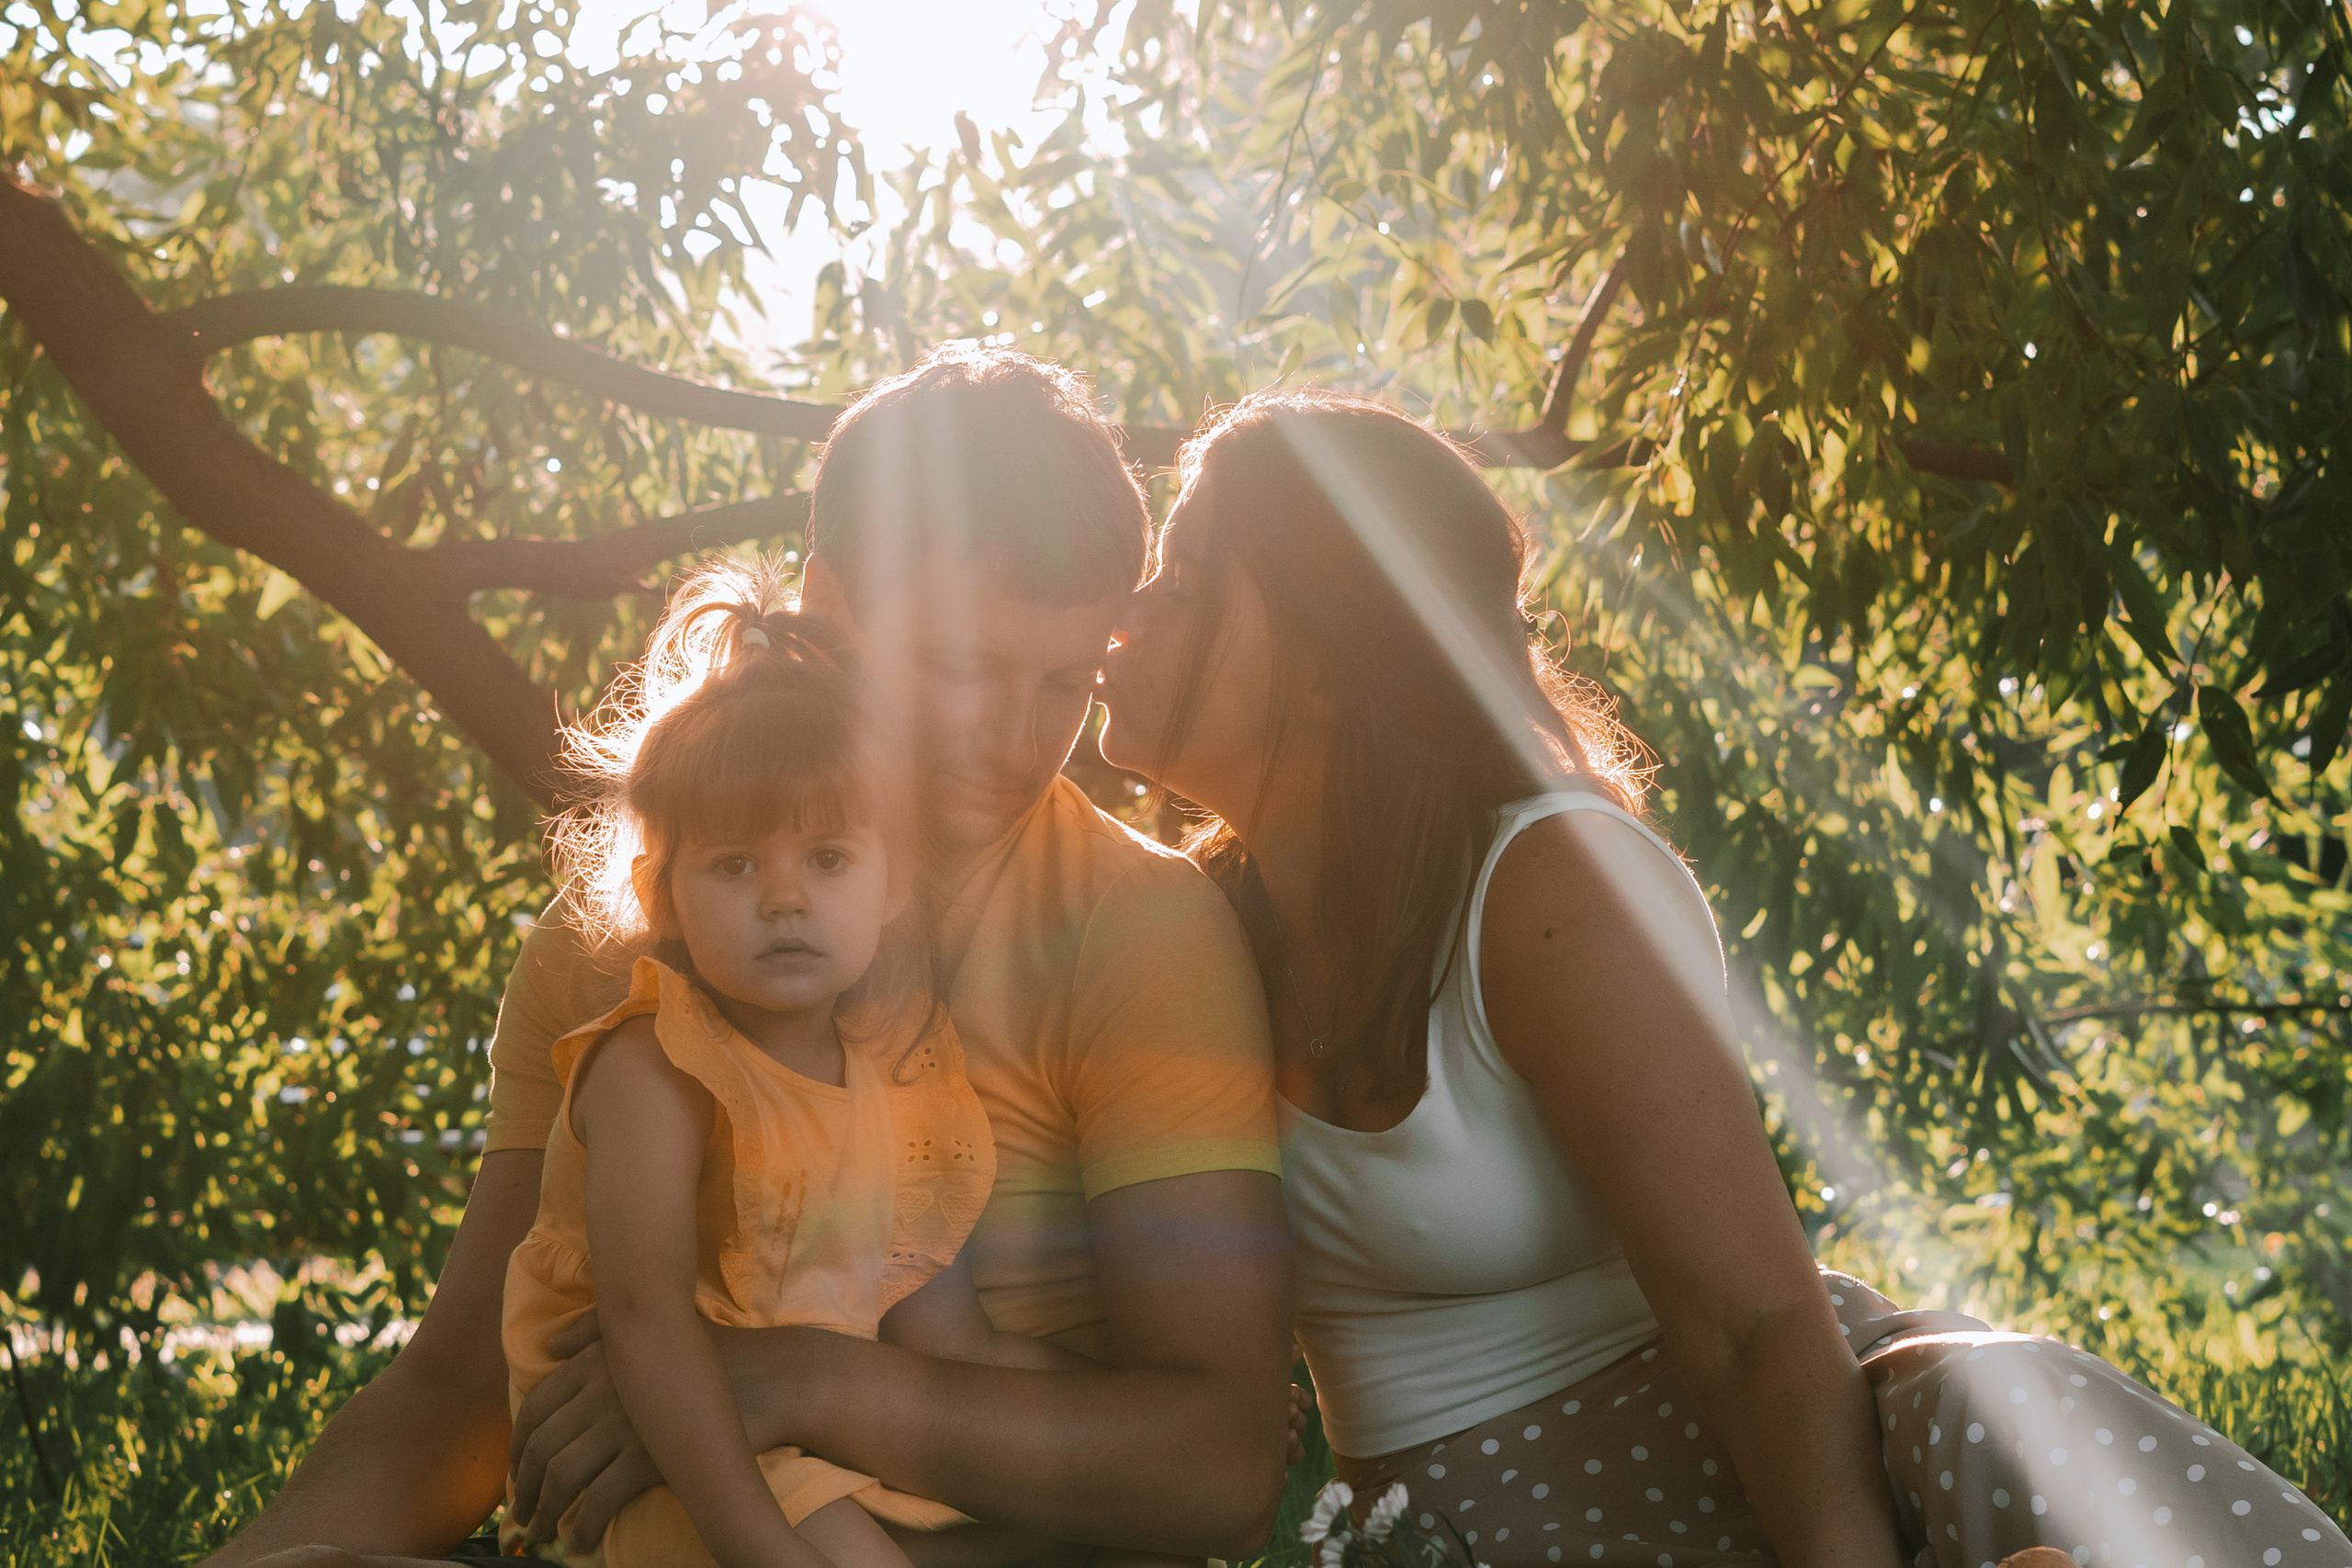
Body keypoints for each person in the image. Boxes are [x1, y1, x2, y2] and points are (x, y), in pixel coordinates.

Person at [1094, 388, 2352, 1568]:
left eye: (1186, 581)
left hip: (1759, 1456)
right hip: (1462, 1527)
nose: (1122, 617)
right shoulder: (1187, 928)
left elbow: (1754, 1330)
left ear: (1328, 649)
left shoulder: (1545, 885)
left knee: (2011, 1426)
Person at [209, 347, 1295, 1568]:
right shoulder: (630, 933)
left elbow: (1223, 1468)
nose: (1017, 738)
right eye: (960, 667)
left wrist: (793, 1380)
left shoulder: (1137, 927)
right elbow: (463, 1379)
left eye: (1067, 678)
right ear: (829, 606)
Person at [503, 567, 1090, 1567]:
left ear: (893, 884)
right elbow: (644, 1327)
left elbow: (948, 1338)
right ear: (666, 894)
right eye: (736, 865)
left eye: (826, 861)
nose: (784, 900)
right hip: (670, 1458)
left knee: (1101, 1544)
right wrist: (760, 1546)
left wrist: (1109, 1397)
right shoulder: (655, 1070)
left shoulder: (898, 1080)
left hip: (809, 1452)